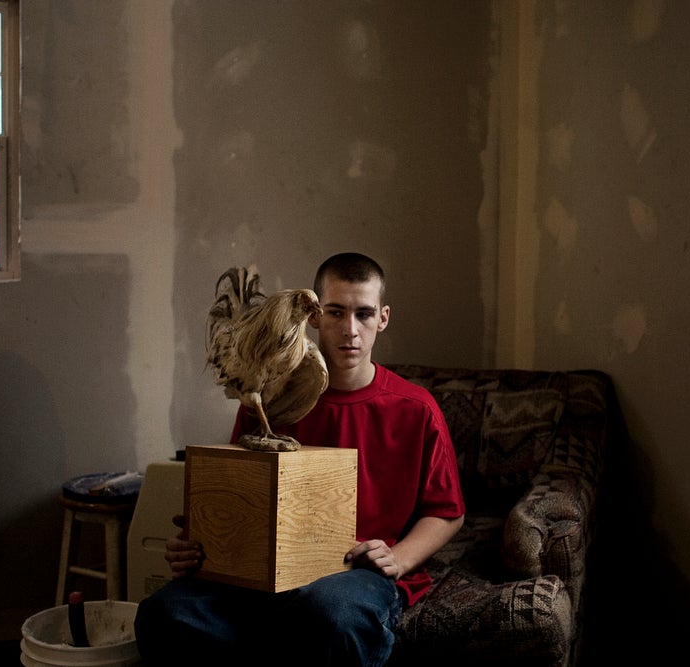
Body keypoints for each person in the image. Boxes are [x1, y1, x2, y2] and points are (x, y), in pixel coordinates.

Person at [134, 252, 465, 666]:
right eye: (335, 312)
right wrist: (200, 543)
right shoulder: (267, 397)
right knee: (163, 614)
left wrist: (398, 558)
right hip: (265, 573)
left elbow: (447, 512)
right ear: (313, 316)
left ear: (382, 318)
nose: (350, 330)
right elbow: (242, 496)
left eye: (363, 315)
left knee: (330, 612)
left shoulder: (416, 408)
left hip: (354, 574)